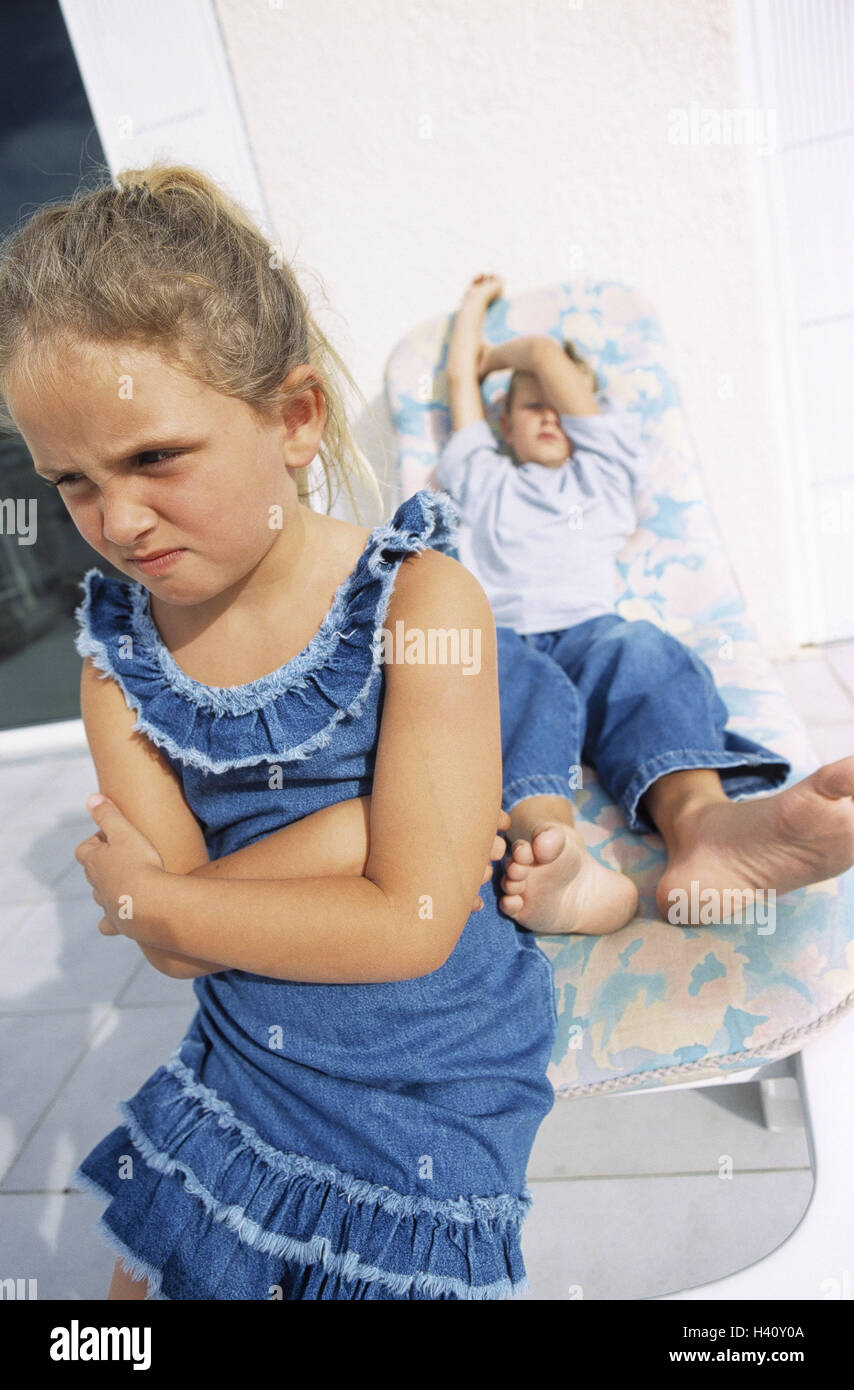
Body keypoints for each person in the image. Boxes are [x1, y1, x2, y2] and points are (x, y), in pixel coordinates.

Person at [0, 169, 560, 1300]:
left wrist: (167, 895)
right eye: (71, 482)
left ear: (296, 419)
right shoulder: (120, 663)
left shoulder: (422, 603)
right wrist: (373, 827)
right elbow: (175, 948)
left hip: (430, 1062)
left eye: (154, 457)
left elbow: (409, 924)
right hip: (256, 1044)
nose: (116, 521)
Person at [429, 273, 854, 934]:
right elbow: (461, 386)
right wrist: (470, 315)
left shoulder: (603, 470)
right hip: (506, 640)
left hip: (592, 634)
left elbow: (543, 355)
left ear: (585, 419)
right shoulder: (481, 476)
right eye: (527, 406)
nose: (546, 415)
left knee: (646, 654)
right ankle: (555, 856)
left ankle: (704, 831)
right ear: (502, 423)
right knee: (505, 691)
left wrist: (520, 355)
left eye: (559, 405)